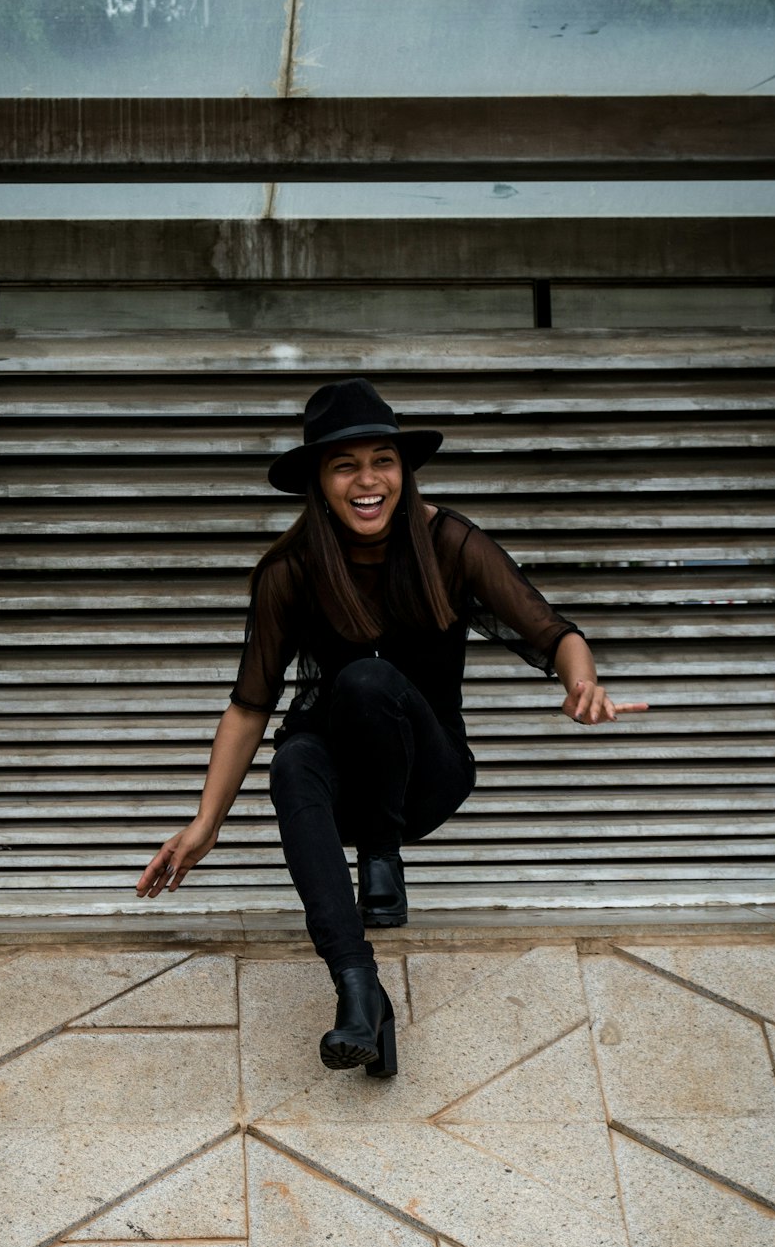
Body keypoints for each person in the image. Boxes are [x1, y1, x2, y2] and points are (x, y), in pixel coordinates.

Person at [136, 378, 649, 1077]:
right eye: (345, 464)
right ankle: (358, 990)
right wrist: (205, 825)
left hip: (425, 775)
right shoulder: (291, 572)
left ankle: (382, 856)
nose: (368, 479)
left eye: (383, 459)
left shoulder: (450, 543)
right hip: (340, 780)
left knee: (369, 677)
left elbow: (553, 631)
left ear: (404, 472)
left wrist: (582, 681)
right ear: (320, 481)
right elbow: (251, 705)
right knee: (292, 761)